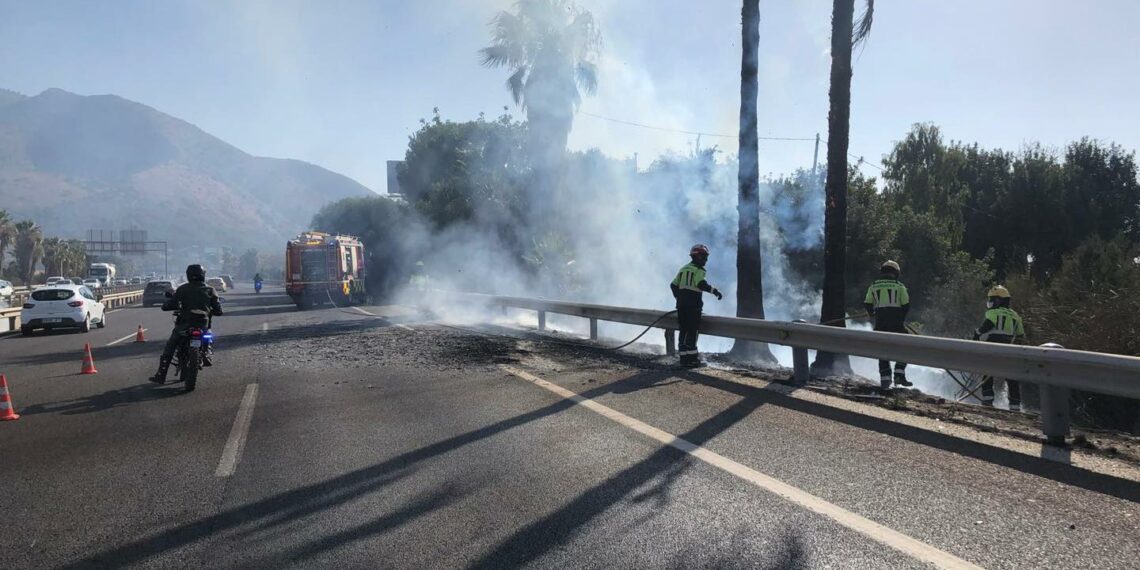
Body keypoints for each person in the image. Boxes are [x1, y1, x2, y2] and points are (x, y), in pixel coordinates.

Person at [149, 264, 223, 384]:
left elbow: (171, 303)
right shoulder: (211, 290)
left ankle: (161, 374)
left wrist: (166, 306)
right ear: (203, 275)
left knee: (171, 345)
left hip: (184, 325)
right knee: (209, 336)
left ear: (188, 275)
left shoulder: (183, 289)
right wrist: (213, 311)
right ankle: (206, 354)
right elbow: (218, 310)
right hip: (203, 325)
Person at [972, 285, 1026, 410]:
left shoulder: (993, 312)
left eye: (992, 299)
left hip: (992, 346)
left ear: (998, 300)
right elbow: (1020, 335)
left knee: (987, 374)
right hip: (1009, 349)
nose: (990, 302)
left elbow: (988, 325)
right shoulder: (1015, 315)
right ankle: (1015, 406)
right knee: (1012, 378)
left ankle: (987, 403)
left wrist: (977, 333)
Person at [670, 244, 723, 368]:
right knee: (692, 331)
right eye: (704, 256)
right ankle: (692, 359)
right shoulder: (699, 270)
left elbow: (673, 285)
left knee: (683, 330)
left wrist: (679, 297)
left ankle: (683, 359)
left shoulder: (683, 268)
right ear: (696, 256)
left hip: (681, 305)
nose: (706, 260)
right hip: (693, 306)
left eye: (706, 257)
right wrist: (714, 291)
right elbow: (700, 284)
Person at [864, 260, 913, 390]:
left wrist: (872, 314)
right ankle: (899, 373)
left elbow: (867, 303)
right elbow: (906, 305)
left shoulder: (873, 286)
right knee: (906, 344)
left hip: (880, 323)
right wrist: (901, 319)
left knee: (882, 349)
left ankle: (885, 379)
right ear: (896, 273)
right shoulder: (899, 286)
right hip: (896, 324)